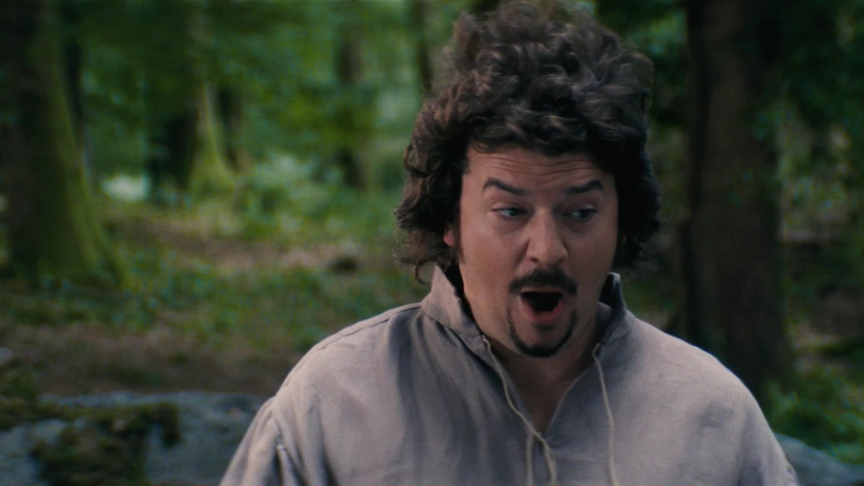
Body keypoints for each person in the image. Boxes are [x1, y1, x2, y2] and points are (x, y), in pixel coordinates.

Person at [221, 2, 798, 485]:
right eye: (509, 212)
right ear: (449, 221)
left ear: (621, 220)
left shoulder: (712, 416)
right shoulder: (331, 404)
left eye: (579, 213)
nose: (546, 249)